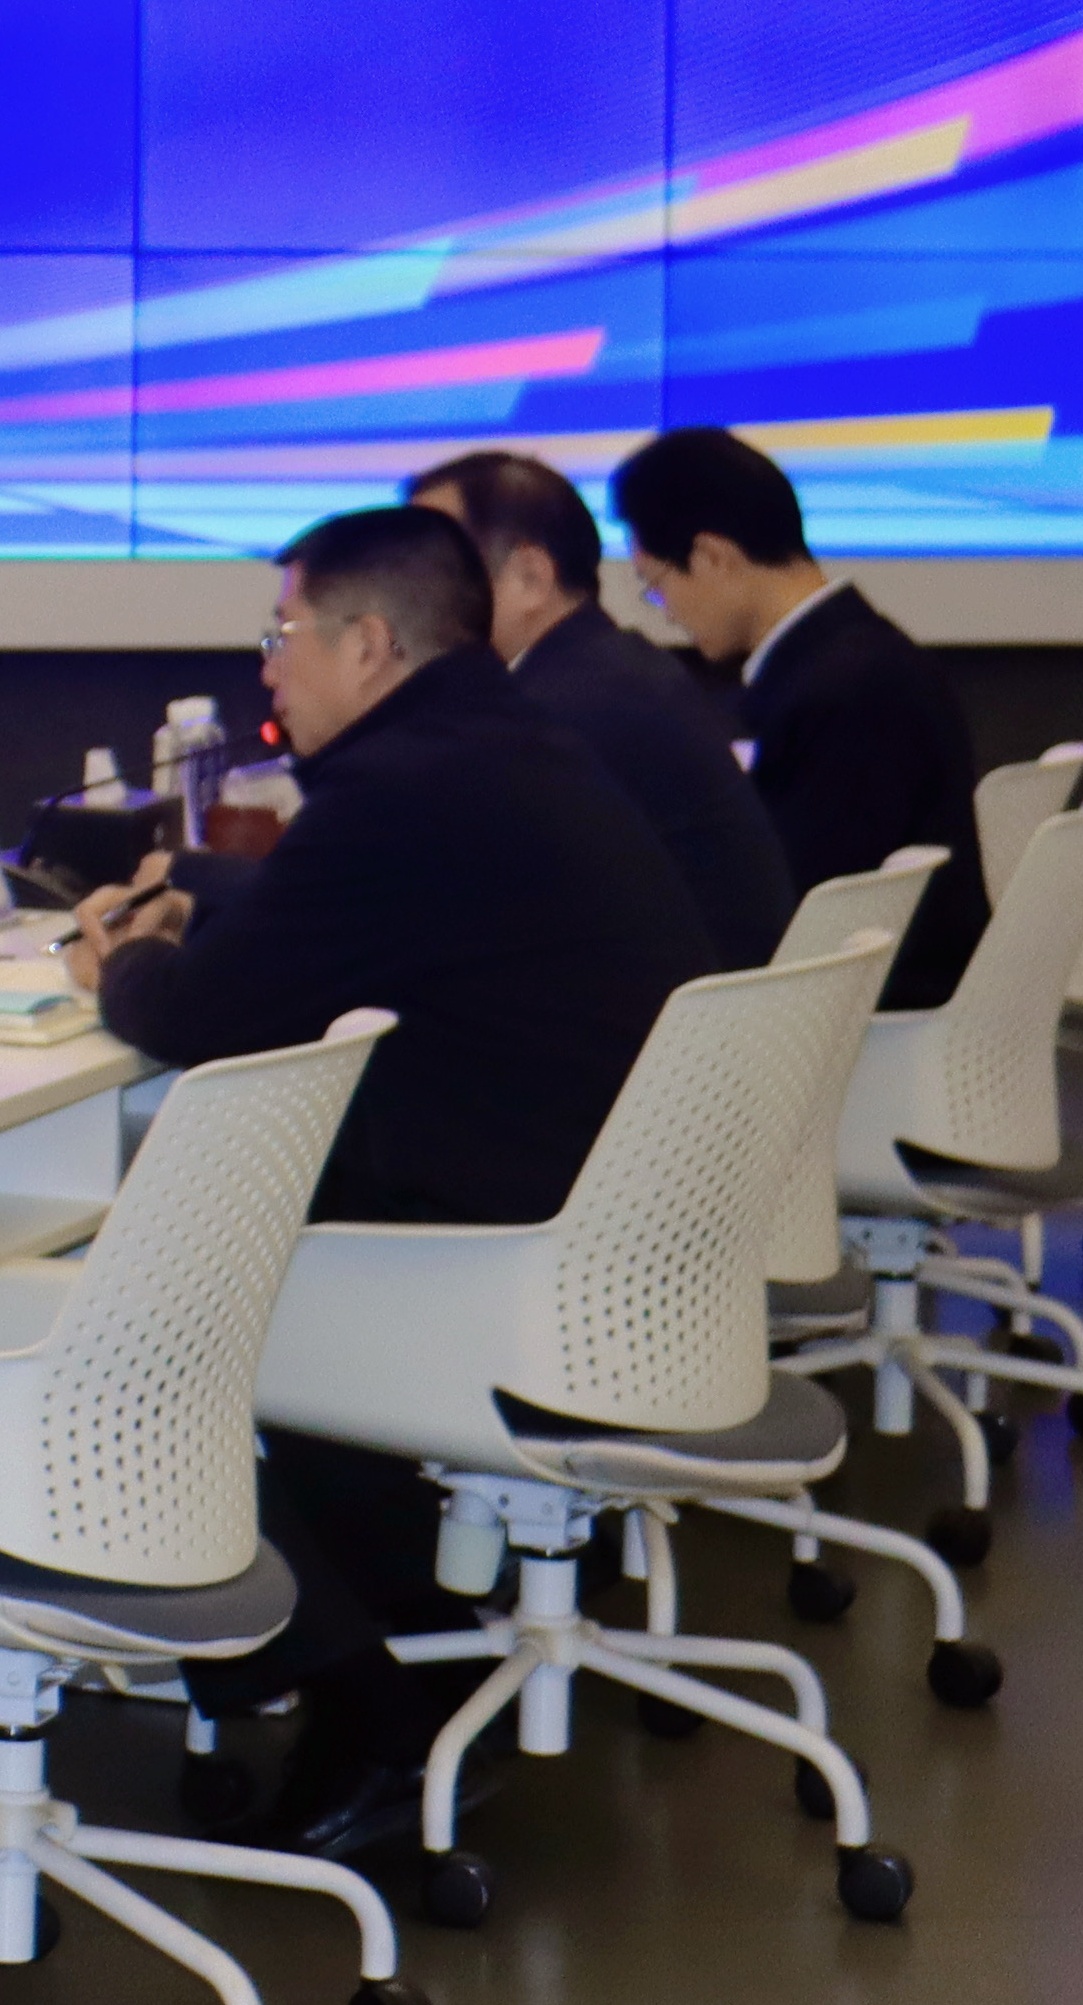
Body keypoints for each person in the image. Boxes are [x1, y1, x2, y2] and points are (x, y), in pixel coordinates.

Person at [65, 502, 718, 1859]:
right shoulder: (507, 745)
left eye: (281, 634)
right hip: (624, 1232)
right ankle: (393, 1636)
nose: (269, 667)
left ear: (366, 643)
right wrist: (210, 907)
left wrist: (117, 965)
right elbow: (364, 920)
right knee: (255, 1240)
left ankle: (371, 1701)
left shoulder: (398, 788)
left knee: (164, 1303)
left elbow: (201, 1017)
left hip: (511, 1252)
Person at [610, 424, 991, 1008]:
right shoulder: (858, 657)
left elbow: (786, 910)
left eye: (656, 586)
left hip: (863, 1015)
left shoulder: (841, 692)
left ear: (712, 557)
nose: (666, 614)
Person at [412, 446, 796, 964]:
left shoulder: (550, 716)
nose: (402, 598)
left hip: (675, 1006)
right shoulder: (616, 669)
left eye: (430, 570)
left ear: (530, 578)